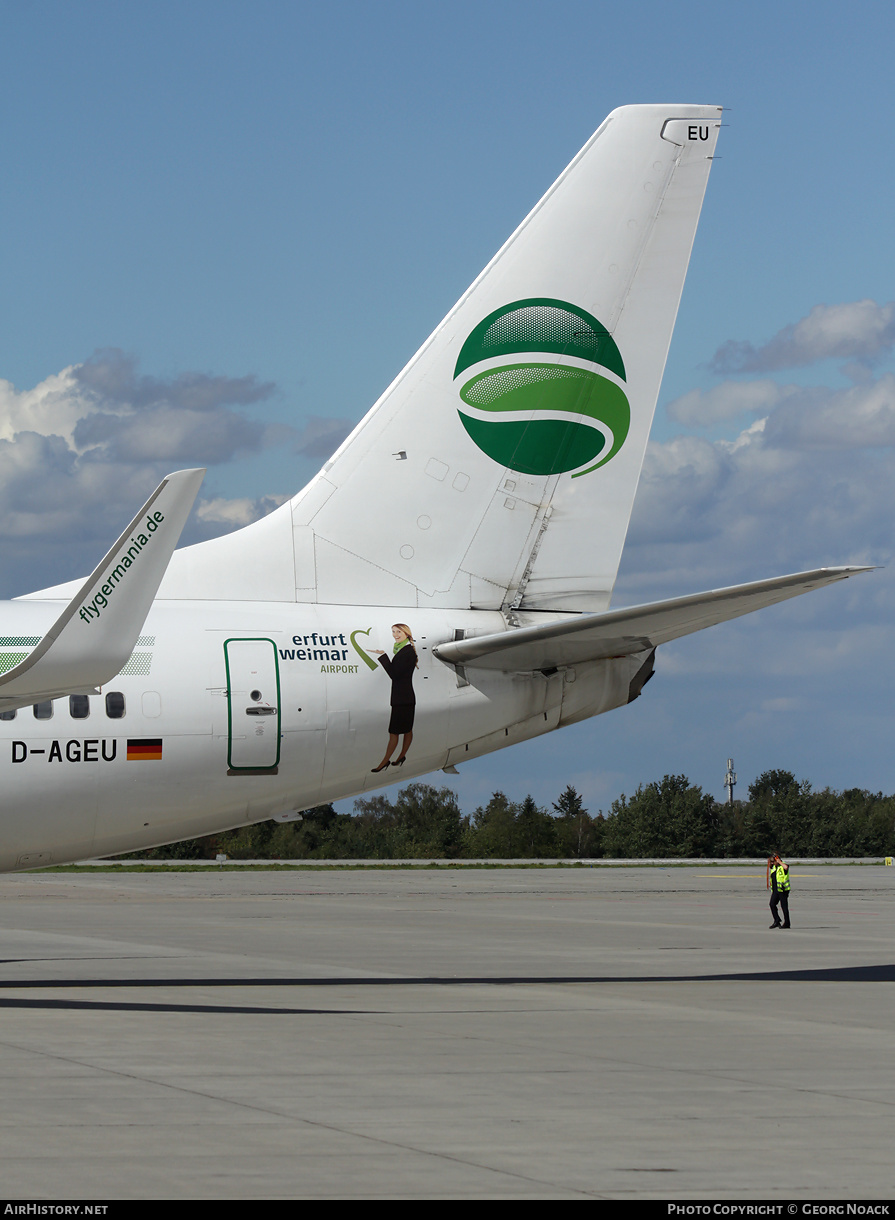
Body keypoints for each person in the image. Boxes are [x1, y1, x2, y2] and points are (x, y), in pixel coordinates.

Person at [370, 624, 417, 772]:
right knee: (405, 730)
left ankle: (386, 761)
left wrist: (383, 657)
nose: (395, 635)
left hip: (403, 698)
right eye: (393, 632)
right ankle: (400, 756)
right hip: (401, 697)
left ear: (406, 634)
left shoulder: (408, 652)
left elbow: (395, 675)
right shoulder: (402, 650)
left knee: (396, 732)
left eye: (398, 632)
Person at [769, 854, 791, 929]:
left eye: (773, 862)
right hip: (776, 890)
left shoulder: (783, 866)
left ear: (777, 860)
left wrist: (779, 862)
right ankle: (777, 920)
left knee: (784, 907)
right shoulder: (774, 868)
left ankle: (787, 923)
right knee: (772, 904)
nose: (771, 863)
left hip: (783, 890)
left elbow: (786, 867)